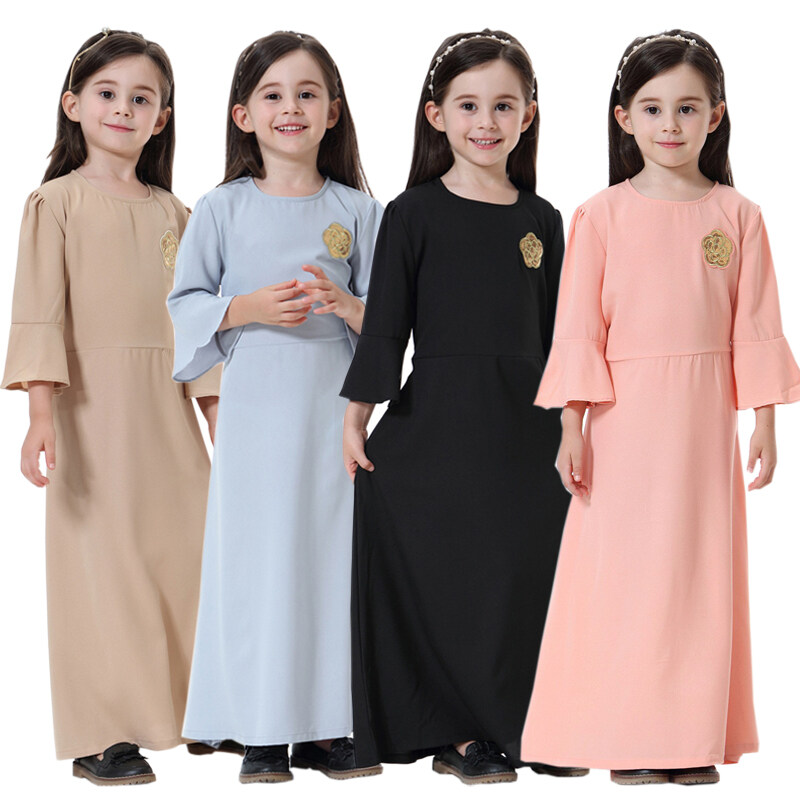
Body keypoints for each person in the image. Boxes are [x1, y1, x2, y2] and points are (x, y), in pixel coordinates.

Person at [520, 30, 800, 786]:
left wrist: (766, 421)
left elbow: (755, 324)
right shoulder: (599, 216)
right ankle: (627, 738)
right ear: (624, 118)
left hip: (704, 424)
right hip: (622, 423)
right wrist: (571, 426)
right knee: (624, 578)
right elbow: (579, 329)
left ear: (715, 116)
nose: (669, 124)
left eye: (687, 108)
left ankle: (688, 738)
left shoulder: (738, 215)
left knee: (698, 576)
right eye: (652, 108)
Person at [340, 29, 575, 785]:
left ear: (528, 115)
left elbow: (563, 338)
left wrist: (575, 426)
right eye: (468, 105)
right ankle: (464, 735)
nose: (486, 121)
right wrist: (357, 415)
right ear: (436, 115)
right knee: (456, 579)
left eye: (504, 105)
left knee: (520, 579)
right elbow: (387, 326)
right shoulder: (412, 213)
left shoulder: (542, 220)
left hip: (528, 434)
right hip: (440, 428)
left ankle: (530, 723)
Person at [1, 29, 220, 785]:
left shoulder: (178, 215)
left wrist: (219, 421)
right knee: (99, 567)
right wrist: (40, 415)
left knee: (186, 555)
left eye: (141, 98)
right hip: (91, 411)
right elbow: (39, 314)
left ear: (162, 118)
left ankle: (196, 709)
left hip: (168, 411)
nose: (124, 108)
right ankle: (104, 732)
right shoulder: (55, 203)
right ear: (73, 105)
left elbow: (198, 327)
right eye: (107, 93)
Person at [167, 31, 383, 784]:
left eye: (307, 93)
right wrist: (244, 308)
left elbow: (394, 321)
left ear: (333, 111)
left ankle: (325, 727)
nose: (290, 107)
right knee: (257, 561)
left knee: (328, 562)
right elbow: (185, 303)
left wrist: (349, 307)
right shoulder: (221, 209)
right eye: (272, 94)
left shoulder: (359, 211)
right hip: (256, 405)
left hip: (333, 408)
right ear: (243, 115)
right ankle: (260, 728)